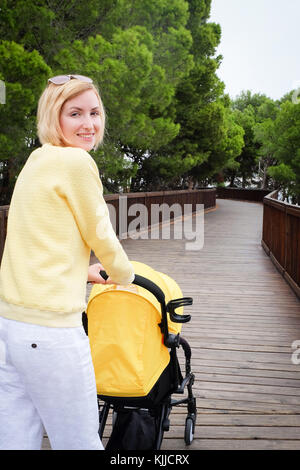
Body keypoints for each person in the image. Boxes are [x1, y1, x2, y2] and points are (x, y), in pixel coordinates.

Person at [0, 74, 135, 450]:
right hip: (51, 333)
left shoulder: (38, 158)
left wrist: (83, 273)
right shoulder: (76, 162)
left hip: (10, 327)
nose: (89, 124)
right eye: (74, 113)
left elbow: (37, 238)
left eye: (95, 112)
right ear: (53, 117)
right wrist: (125, 273)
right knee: (78, 441)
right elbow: (100, 233)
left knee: (14, 438)